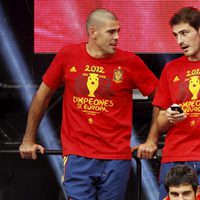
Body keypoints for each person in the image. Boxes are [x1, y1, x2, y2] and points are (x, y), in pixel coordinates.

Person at [19, 8, 158, 200]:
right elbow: (42, 96)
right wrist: (28, 139)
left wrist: (151, 140)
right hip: (78, 155)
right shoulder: (68, 55)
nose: (117, 37)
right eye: (111, 32)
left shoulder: (130, 61)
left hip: (116, 157)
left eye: (118, 31)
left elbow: (162, 98)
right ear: (93, 32)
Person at [133, 6, 200, 200]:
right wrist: (170, 116)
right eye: (175, 35)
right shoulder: (171, 69)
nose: (180, 41)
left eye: (185, 33)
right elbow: (161, 122)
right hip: (176, 156)